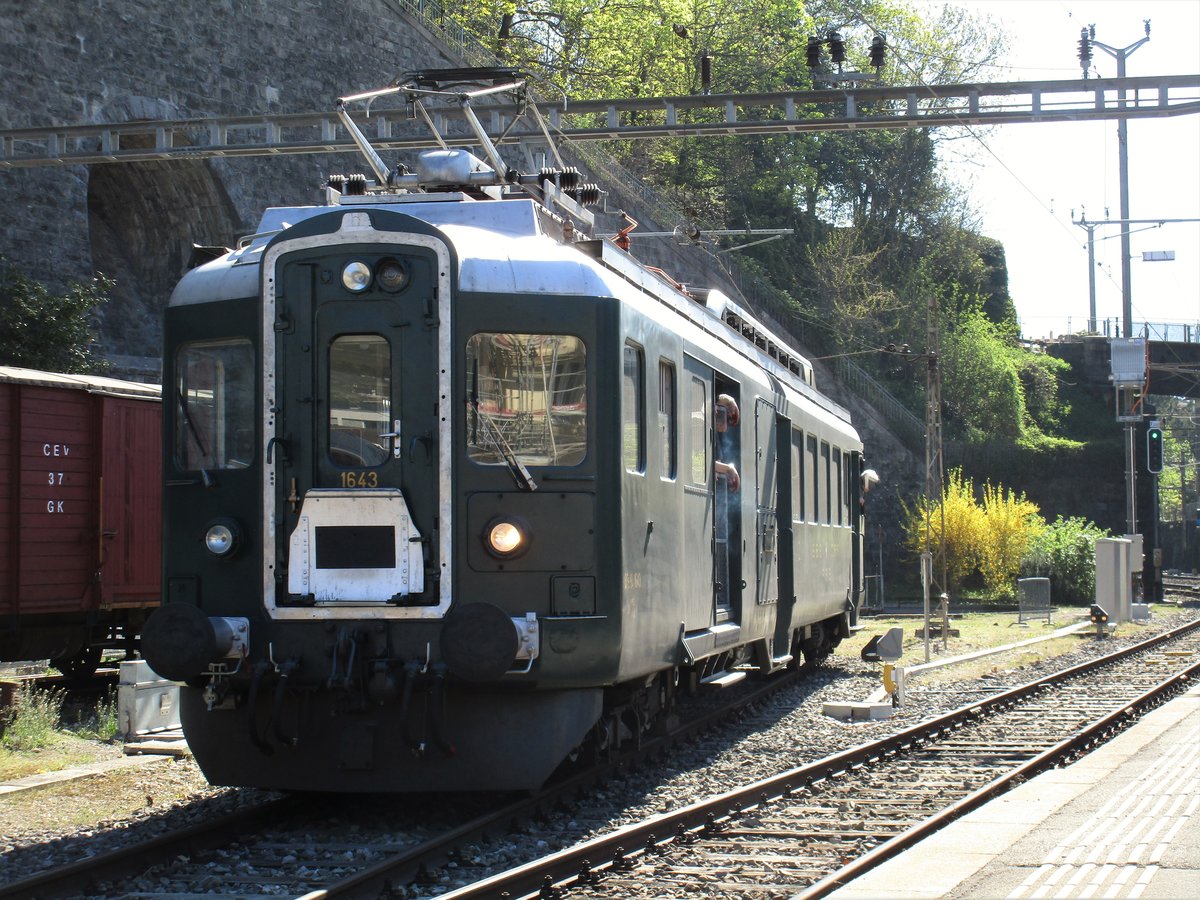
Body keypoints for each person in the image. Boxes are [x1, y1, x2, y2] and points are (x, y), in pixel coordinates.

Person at [714, 393, 740, 493]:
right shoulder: (699, 423)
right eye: (725, 413)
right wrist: (729, 469)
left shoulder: (713, 433)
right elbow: (701, 465)